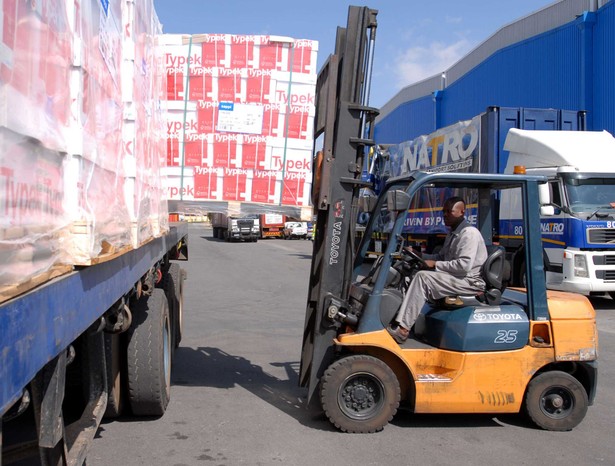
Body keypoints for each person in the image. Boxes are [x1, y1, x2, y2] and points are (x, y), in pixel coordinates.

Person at [387, 196, 488, 344]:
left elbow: (463, 266)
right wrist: (420, 255)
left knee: (423, 278)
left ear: (461, 212)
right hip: (457, 278)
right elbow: (441, 256)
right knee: (409, 276)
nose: (445, 215)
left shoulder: (468, 233)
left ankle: (403, 330)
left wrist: (435, 264)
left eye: (449, 211)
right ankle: (397, 319)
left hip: (469, 281)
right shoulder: (453, 233)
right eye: (444, 211)